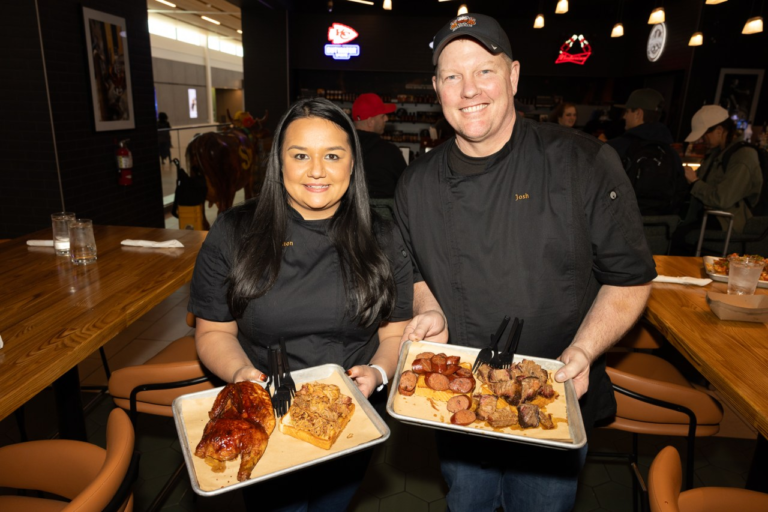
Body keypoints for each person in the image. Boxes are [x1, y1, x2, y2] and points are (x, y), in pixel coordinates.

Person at [394, 13, 656, 511]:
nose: (469, 89)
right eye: (452, 76)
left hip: (550, 397)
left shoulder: (582, 163)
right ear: (437, 88)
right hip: (460, 401)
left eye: (484, 71)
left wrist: (584, 349)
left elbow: (630, 280)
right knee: (466, 503)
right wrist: (429, 310)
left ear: (513, 76)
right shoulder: (417, 183)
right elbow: (414, 268)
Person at [188, 98, 413, 511]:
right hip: (265, 418)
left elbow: (395, 331)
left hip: (350, 415)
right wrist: (242, 375)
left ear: (352, 164)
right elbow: (214, 331)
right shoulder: (234, 232)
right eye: (300, 155)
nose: (316, 170)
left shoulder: (383, 237)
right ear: (279, 162)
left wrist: (379, 372)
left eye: (332, 155)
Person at [671, 105, 763, 253]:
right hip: (711, 216)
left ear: (719, 130)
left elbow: (722, 199)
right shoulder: (717, 153)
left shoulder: (743, 156)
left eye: (705, 134)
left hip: (729, 221)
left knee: (681, 236)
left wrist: (695, 182)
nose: (702, 139)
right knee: (674, 228)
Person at [606, 88, 687, 216]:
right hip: (660, 228)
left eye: (627, 111)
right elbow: (680, 192)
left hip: (619, 226)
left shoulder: (616, 148)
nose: (624, 116)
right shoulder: (671, 154)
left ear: (638, 113)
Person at [352, 93, 408, 198]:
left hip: (350, 213)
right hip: (385, 213)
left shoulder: (343, 149)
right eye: (382, 116)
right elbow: (407, 186)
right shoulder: (390, 152)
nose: (386, 118)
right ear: (370, 122)